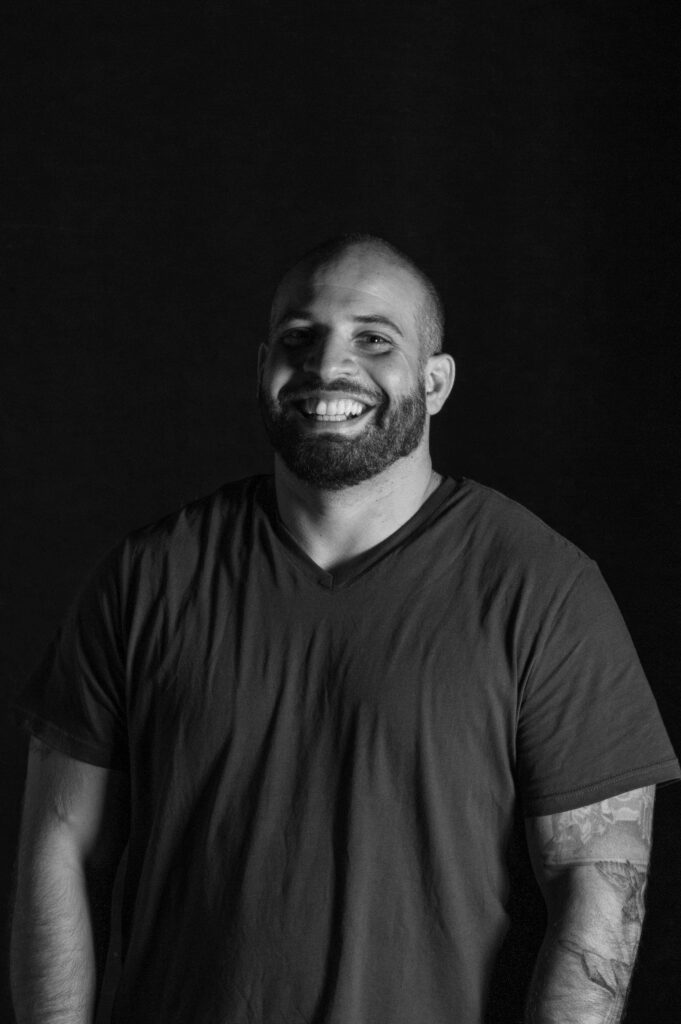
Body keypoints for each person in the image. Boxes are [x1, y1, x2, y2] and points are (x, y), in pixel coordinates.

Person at [11, 234, 680, 1024]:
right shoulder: (146, 578)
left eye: (374, 339)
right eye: (300, 337)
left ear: (435, 381)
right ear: (263, 367)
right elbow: (60, 848)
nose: (328, 365)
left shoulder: (545, 590)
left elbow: (597, 889)